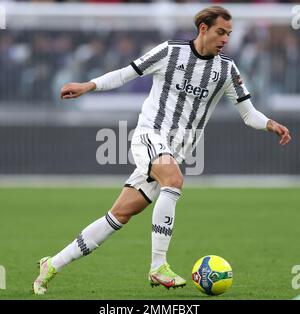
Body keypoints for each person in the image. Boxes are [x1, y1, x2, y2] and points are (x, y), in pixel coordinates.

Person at [33, 5, 291, 295]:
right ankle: (158, 267)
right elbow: (124, 74)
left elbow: (248, 113)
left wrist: (270, 124)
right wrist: (88, 85)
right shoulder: (170, 52)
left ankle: (52, 263)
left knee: (118, 216)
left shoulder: (226, 70)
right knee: (174, 180)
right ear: (203, 29)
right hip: (149, 135)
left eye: (229, 34)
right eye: (221, 32)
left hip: (177, 150)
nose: (225, 39)